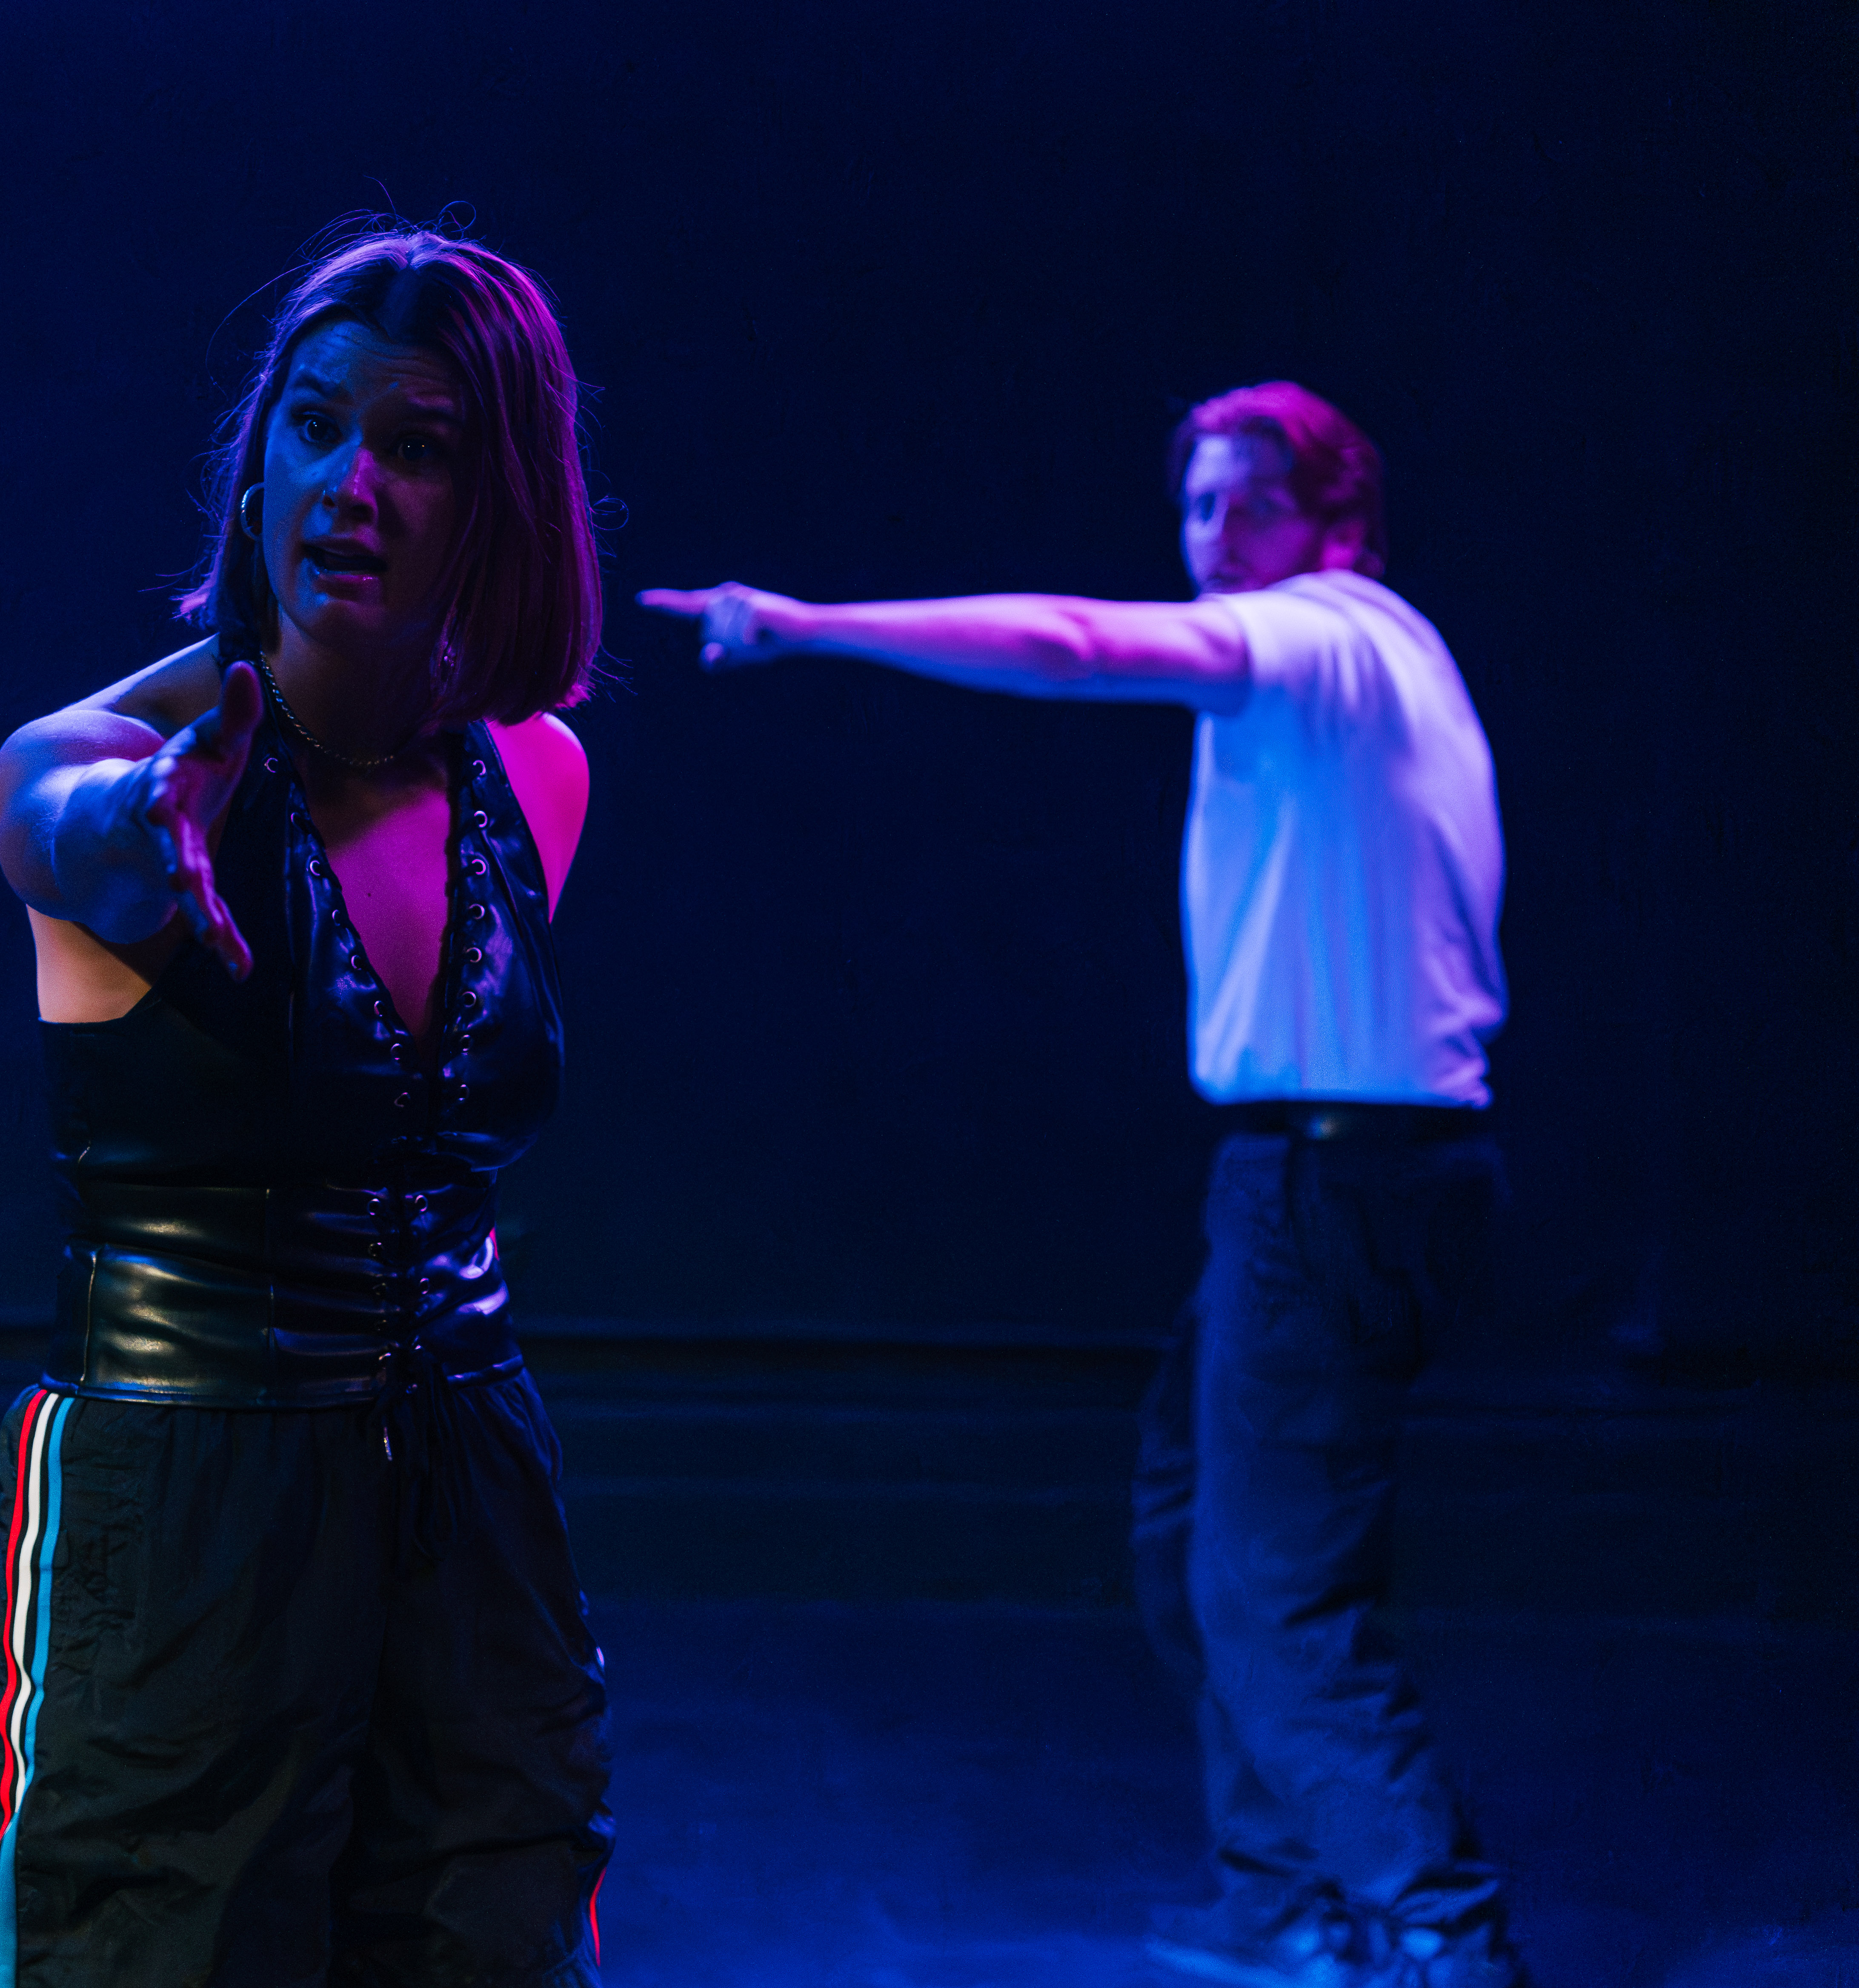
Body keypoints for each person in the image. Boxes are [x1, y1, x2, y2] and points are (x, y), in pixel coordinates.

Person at [641, 383, 1522, 1988]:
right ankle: (1285, 1900)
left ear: (1338, 523)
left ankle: (1440, 1934)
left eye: (1251, 503)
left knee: (1270, 1591)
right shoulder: (1395, 668)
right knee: (1191, 1524)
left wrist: (809, 626)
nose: (1214, 537)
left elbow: (1075, 643)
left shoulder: (1322, 638)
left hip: (1338, 1177)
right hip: (1346, 1169)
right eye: (1196, 506)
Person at [0, 229, 611, 1988]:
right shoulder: (91, 760)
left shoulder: (536, 775)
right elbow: (67, 832)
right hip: (194, 1494)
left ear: (500, 501)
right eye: (316, 425)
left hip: (474, 1495)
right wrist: (140, 835)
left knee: (500, 1938)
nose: (352, 483)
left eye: (418, 446)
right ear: (257, 459)